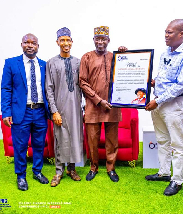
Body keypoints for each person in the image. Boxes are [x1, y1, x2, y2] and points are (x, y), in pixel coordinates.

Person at [145, 19, 183, 196]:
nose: (166, 36)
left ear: (181, 34)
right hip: (158, 103)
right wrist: (154, 84)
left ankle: (177, 180)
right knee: (162, 140)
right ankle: (164, 172)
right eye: (165, 32)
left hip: (173, 105)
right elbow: (166, 79)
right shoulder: (165, 53)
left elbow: (181, 85)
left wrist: (158, 100)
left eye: (170, 32)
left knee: (177, 143)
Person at [1, 33, 49, 191]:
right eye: (26, 42)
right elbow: (6, 89)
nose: (30, 45)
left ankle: (37, 171)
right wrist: (6, 111)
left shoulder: (44, 65)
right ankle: (21, 176)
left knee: (39, 144)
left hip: (40, 111)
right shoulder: (11, 64)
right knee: (20, 145)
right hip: (21, 112)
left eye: (33, 43)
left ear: (38, 46)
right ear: (21, 44)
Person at [79, 26, 127, 182]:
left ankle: (111, 168)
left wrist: (125, 55)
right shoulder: (86, 57)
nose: (100, 42)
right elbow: (82, 82)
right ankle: (93, 167)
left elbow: (128, 72)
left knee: (112, 140)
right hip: (93, 106)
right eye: (98, 39)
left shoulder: (115, 57)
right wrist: (99, 101)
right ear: (94, 40)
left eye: (103, 39)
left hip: (112, 106)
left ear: (108, 41)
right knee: (92, 139)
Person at [45, 27, 83, 187]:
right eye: (62, 40)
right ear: (57, 42)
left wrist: (85, 106)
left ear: (72, 42)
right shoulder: (51, 63)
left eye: (68, 40)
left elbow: (83, 85)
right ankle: (59, 171)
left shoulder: (78, 62)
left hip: (75, 108)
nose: (65, 43)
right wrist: (54, 111)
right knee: (61, 139)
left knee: (75, 138)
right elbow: (49, 88)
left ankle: (71, 169)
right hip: (60, 108)